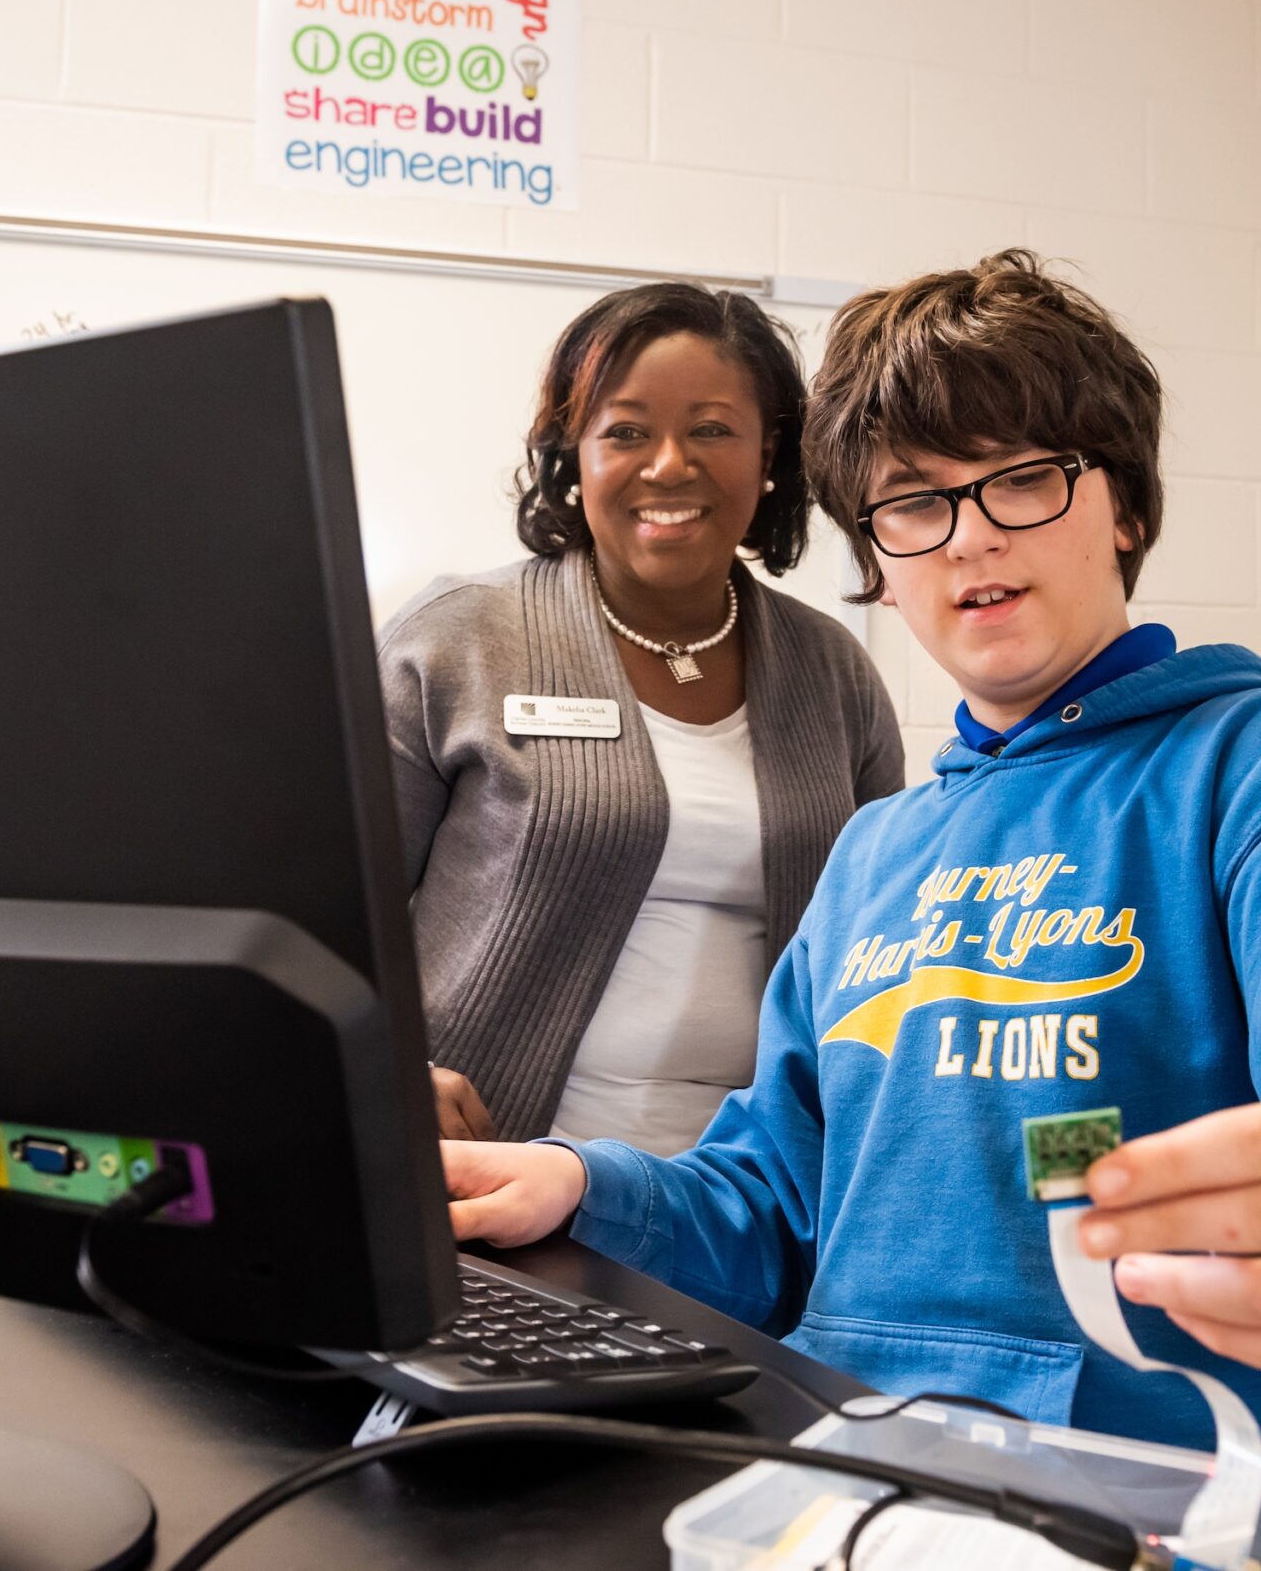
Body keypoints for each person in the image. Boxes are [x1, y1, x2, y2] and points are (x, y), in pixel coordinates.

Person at [438, 253, 1261, 1478]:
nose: (971, 538)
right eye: (913, 503)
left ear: (1126, 507)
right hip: (868, 1494)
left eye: (1024, 479)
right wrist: (579, 1185)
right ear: (876, 558)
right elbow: (774, 1209)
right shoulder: (877, 850)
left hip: (1175, 1514)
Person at [381, 282, 904, 1154]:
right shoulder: (457, 638)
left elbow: (880, 950)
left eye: (711, 428)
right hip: (478, 1181)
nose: (669, 464)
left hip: (745, 1210)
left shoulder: (834, 673)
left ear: (769, 451)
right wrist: (381, 1064)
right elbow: (319, 918)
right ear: (571, 454)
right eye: (625, 431)